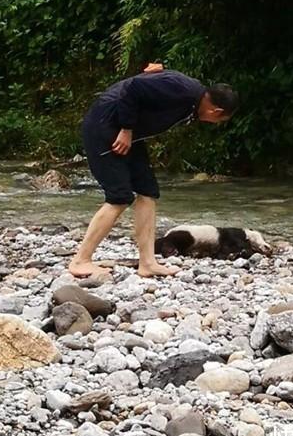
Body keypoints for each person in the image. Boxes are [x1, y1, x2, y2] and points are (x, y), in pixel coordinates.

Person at [68, 66, 238, 278]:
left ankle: (147, 262)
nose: (214, 124)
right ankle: (81, 260)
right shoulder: (184, 91)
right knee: (119, 196)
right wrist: (126, 129)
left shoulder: (192, 97)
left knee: (147, 192)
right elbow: (134, 87)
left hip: (129, 133)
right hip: (107, 127)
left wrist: (158, 72)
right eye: (218, 121)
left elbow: (156, 82)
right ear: (216, 111)